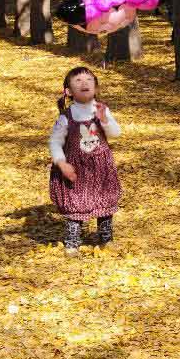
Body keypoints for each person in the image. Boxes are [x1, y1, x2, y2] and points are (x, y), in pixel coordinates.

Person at [49, 66, 122, 255]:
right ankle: (73, 241)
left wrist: (105, 119)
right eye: (78, 81)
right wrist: (61, 163)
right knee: (75, 203)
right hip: (76, 168)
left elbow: (115, 134)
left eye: (89, 80)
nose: (84, 83)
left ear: (96, 88)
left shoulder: (101, 110)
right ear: (68, 91)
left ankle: (106, 237)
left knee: (104, 201)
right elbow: (55, 142)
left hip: (101, 166)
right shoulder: (66, 117)